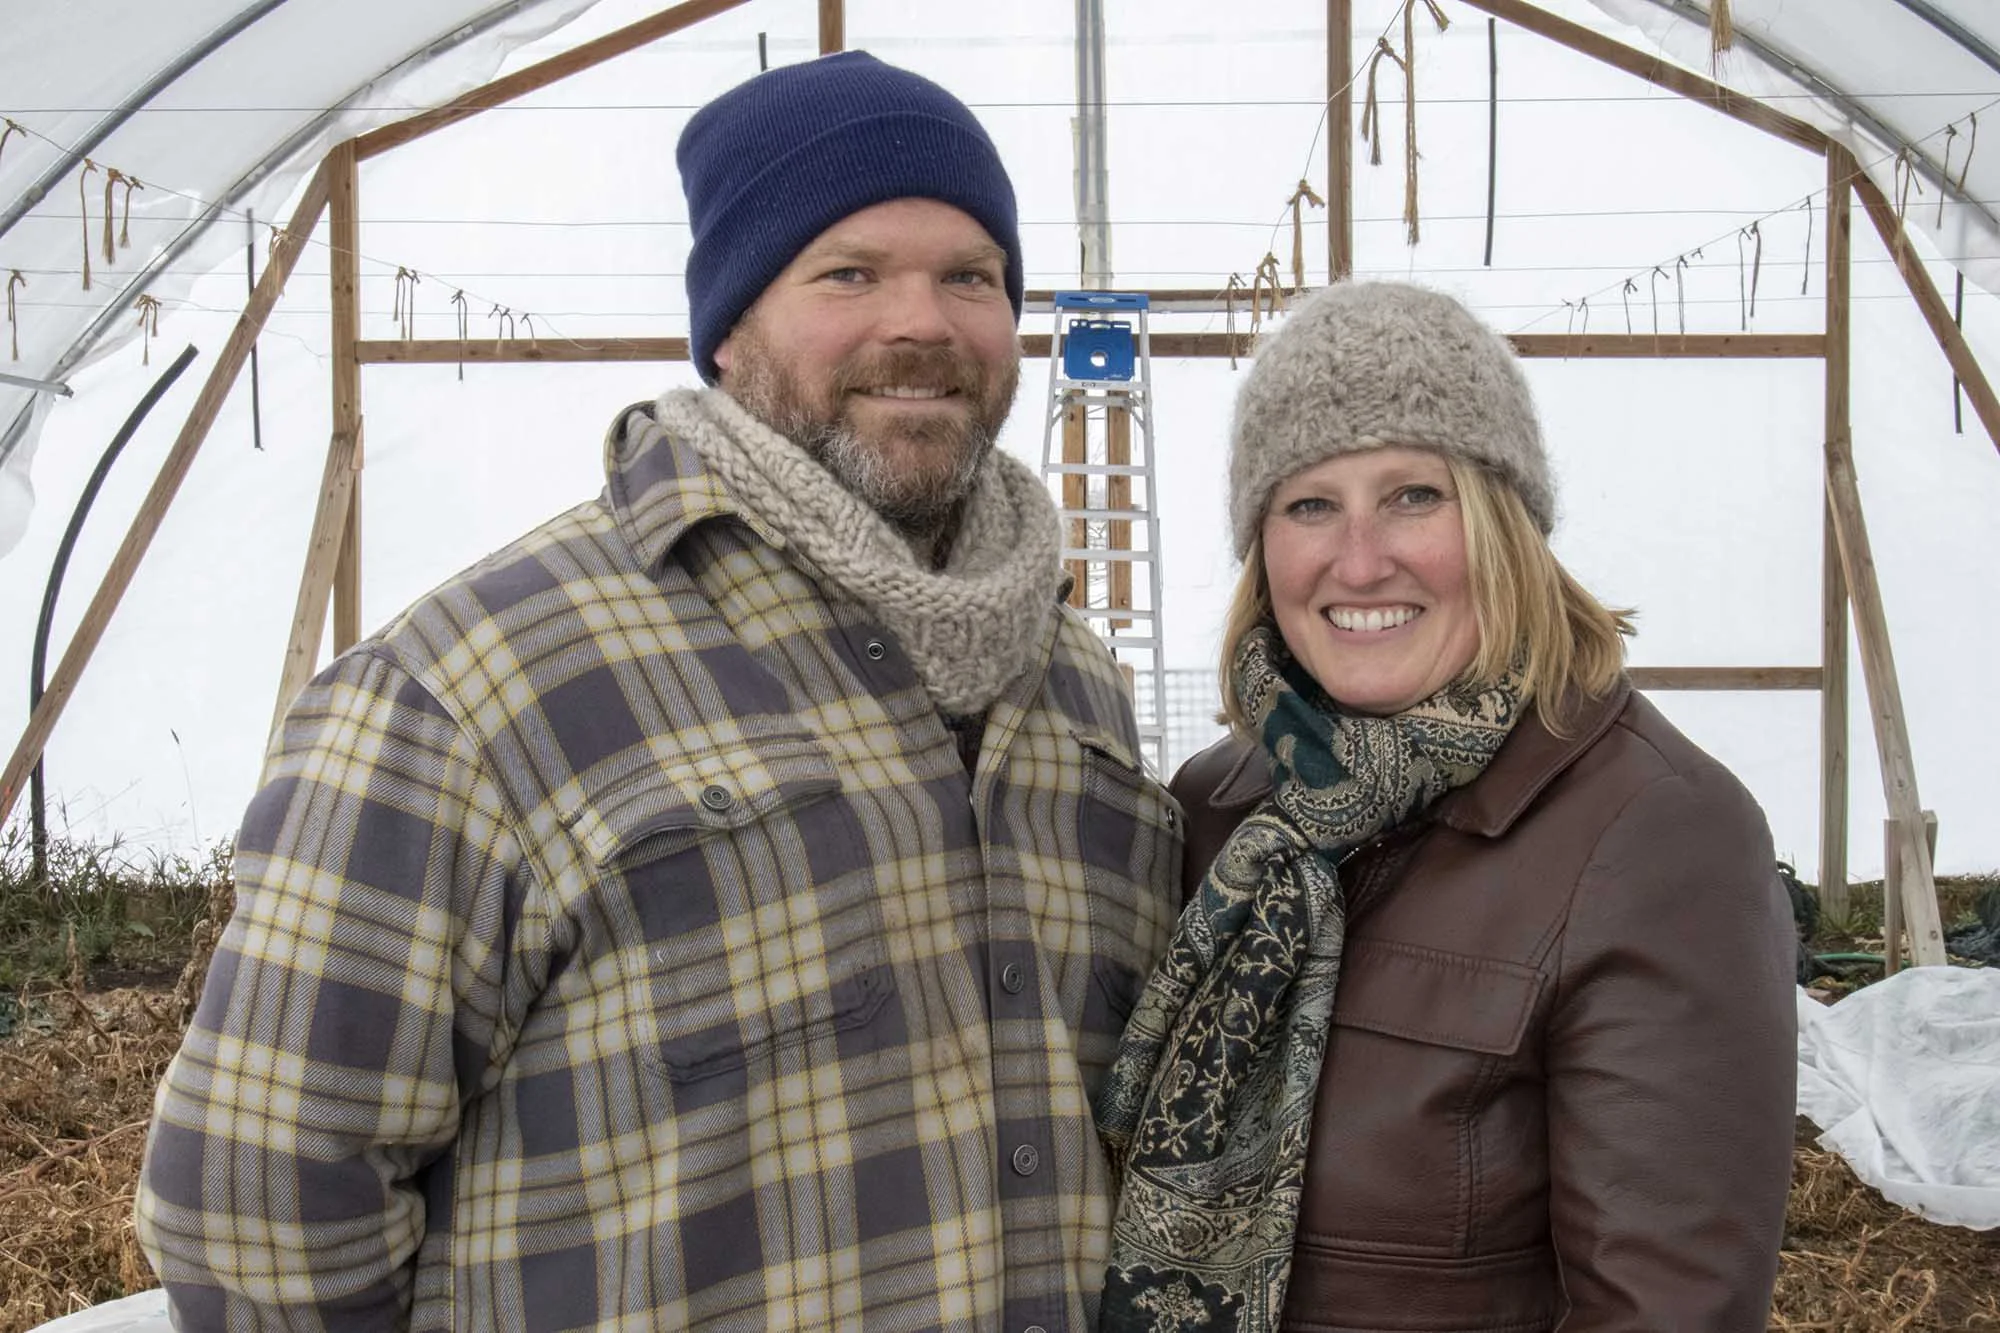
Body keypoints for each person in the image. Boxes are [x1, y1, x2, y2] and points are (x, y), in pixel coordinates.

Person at [136, 51, 1183, 1331]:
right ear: (730, 330)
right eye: (847, 272)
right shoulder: (477, 686)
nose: (922, 322)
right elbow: (256, 1202)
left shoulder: (1068, 683)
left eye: (968, 275)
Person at [1093, 282, 1797, 1331]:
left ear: (1503, 521)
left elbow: (1667, 1305)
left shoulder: (1652, 832)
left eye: (1414, 495)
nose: (1359, 558)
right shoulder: (1220, 808)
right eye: (1308, 504)